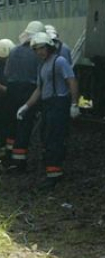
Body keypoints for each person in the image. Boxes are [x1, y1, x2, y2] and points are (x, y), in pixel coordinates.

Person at [15, 31, 79, 188]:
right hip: (48, 105)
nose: (39, 51)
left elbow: (72, 81)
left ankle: (54, 175)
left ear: (49, 47)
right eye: (36, 49)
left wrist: (74, 104)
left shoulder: (60, 61)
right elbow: (39, 89)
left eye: (41, 48)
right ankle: (52, 171)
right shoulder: (42, 66)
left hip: (59, 103)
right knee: (46, 136)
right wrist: (26, 106)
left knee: (54, 138)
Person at [5, 21, 44, 168]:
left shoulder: (14, 50)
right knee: (24, 125)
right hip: (29, 90)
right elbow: (40, 76)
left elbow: (7, 73)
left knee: (12, 123)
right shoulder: (37, 54)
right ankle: (19, 160)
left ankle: (8, 155)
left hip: (12, 89)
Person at [0, 38, 15, 162]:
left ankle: (6, 152)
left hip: (7, 102)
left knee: (7, 126)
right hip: (4, 101)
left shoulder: (11, 63)